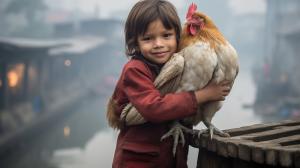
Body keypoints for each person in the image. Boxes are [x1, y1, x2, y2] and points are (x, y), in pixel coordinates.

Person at [109, 0, 231, 167]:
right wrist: (203, 95)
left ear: (177, 35)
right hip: (139, 161)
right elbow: (154, 108)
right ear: (135, 41)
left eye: (166, 36)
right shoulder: (135, 70)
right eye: (148, 38)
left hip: (172, 159)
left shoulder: (177, 63)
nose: (158, 44)